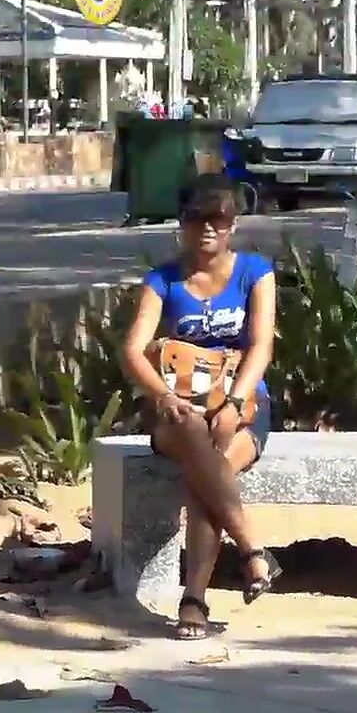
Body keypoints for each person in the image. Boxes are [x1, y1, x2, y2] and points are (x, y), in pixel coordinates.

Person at [121, 176, 282, 639]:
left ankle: (193, 599)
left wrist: (236, 401)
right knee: (197, 443)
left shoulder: (255, 272)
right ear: (182, 224)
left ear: (233, 224)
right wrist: (164, 395)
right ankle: (253, 551)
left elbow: (261, 346)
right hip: (178, 408)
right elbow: (132, 350)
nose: (208, 227)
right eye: (196, 218)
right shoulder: (163, 280)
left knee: (207, 476)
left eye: (218, 218)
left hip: (243, 402)